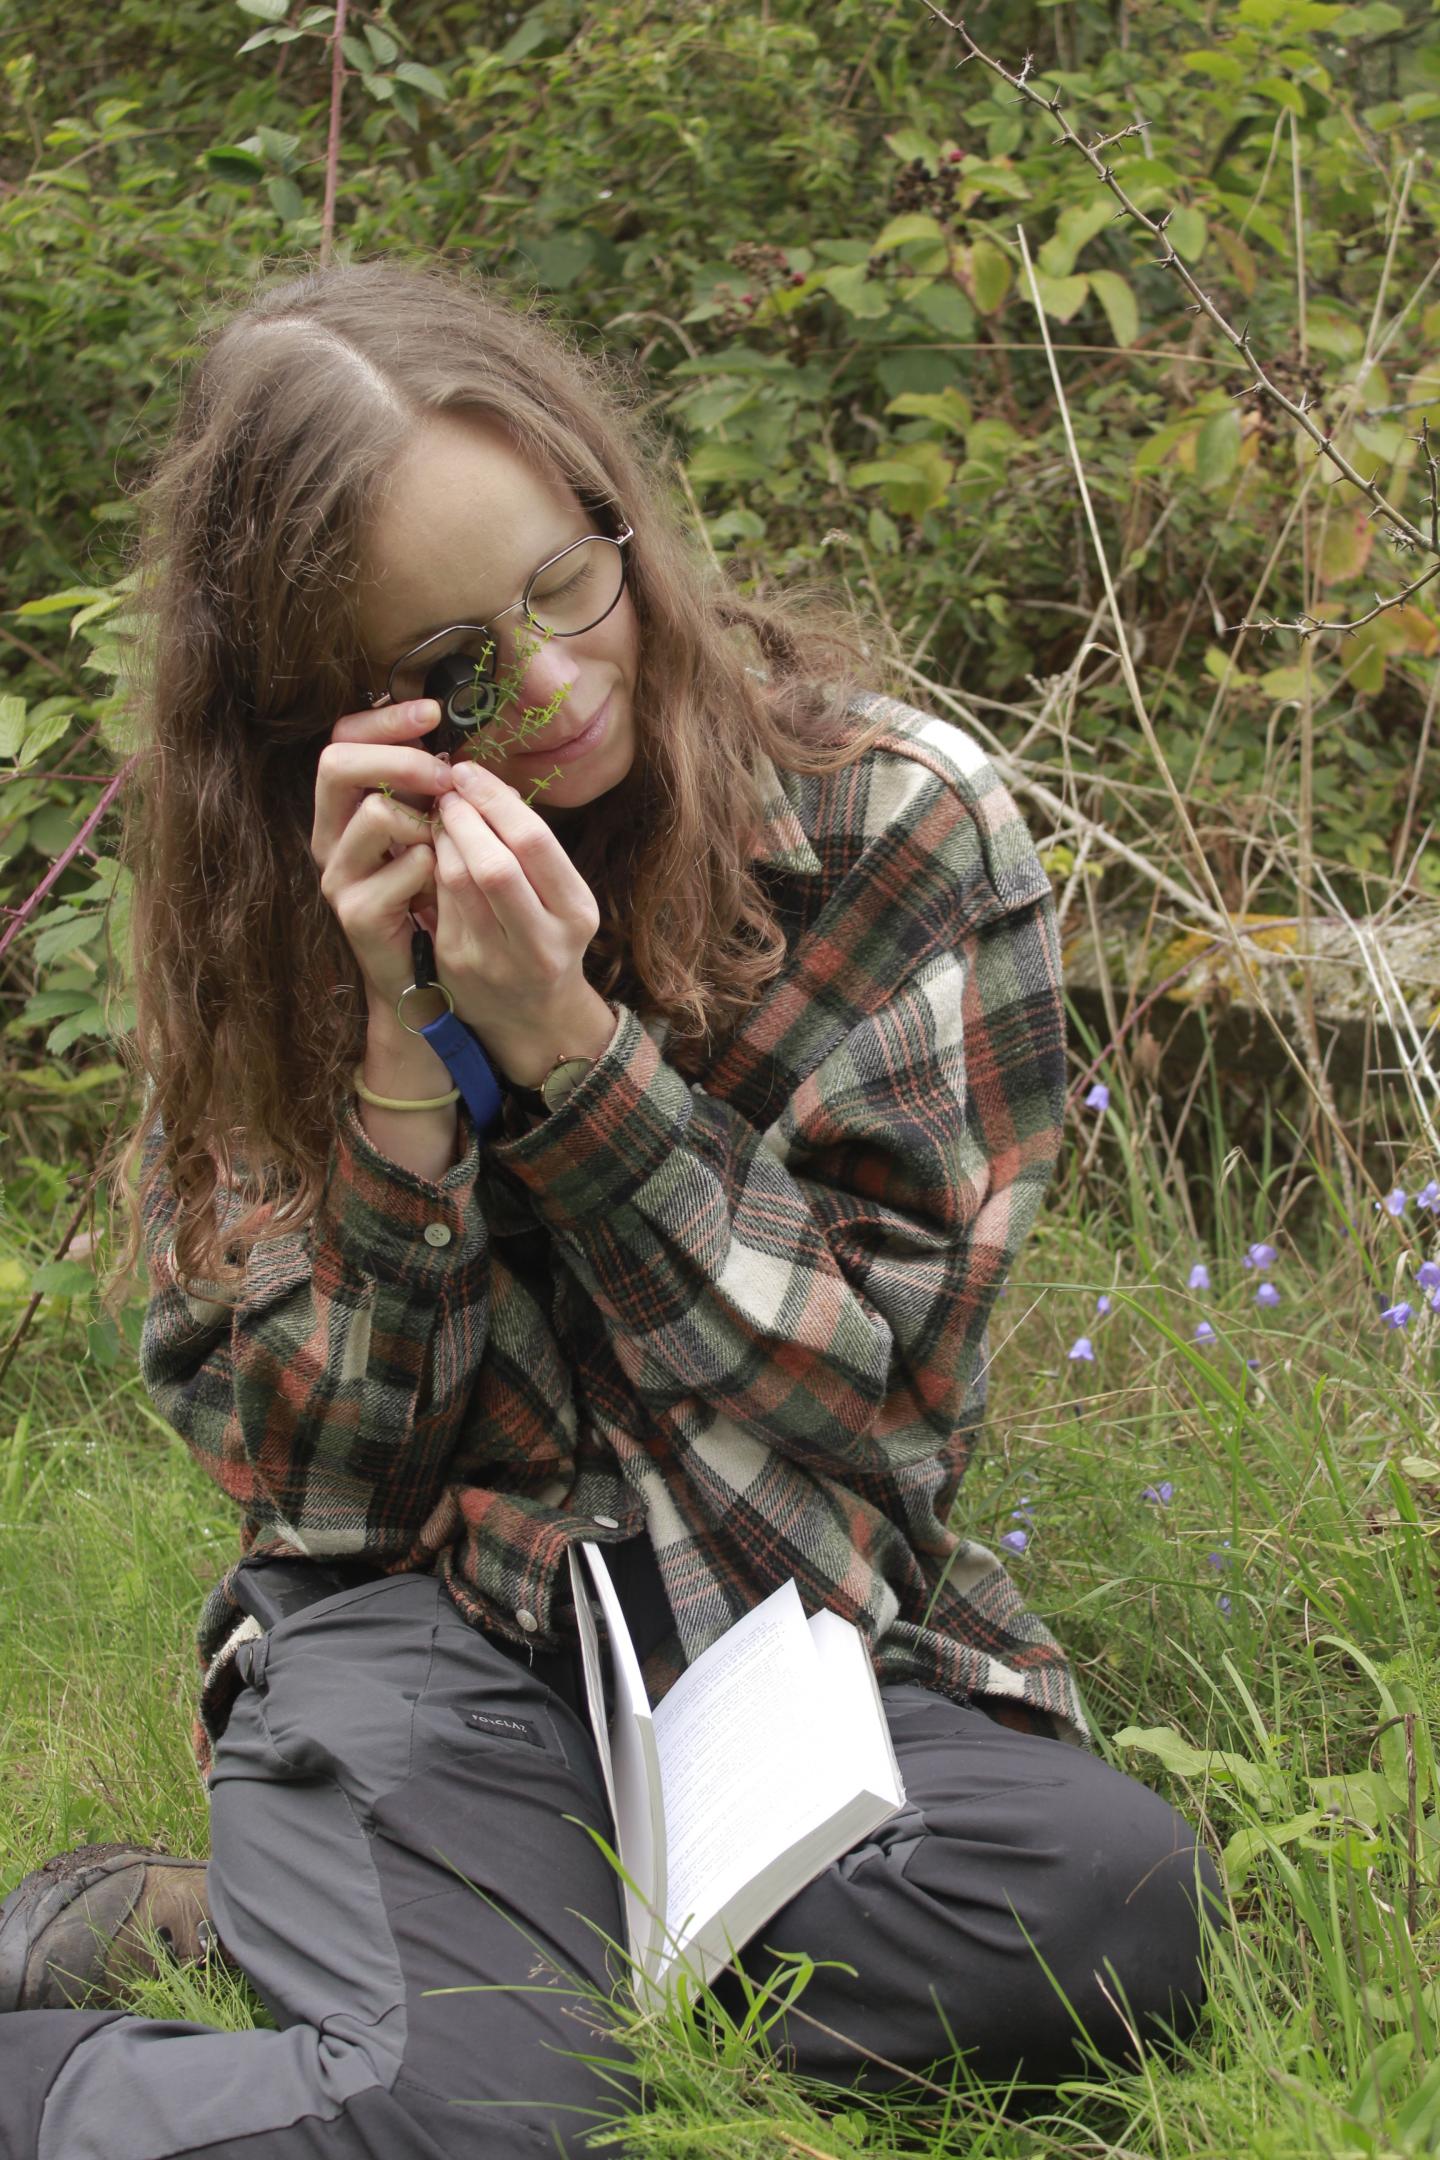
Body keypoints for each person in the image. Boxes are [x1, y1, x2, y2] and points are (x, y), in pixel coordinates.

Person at [0, 258, 1221, 2158]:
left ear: (615, 513)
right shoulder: (280, 910)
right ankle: (333, 2028)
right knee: (469, 2126)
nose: (558, 681)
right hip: (435, 1632)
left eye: (574, 582)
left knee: (1112, 1904)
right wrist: (405, 1059)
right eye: (458, 669)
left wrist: (571, 1060)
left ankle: (377, 1952)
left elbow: (881, 1409)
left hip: (791, 1630)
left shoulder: (898, 827)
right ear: (336, 709)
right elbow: (318, 1505)